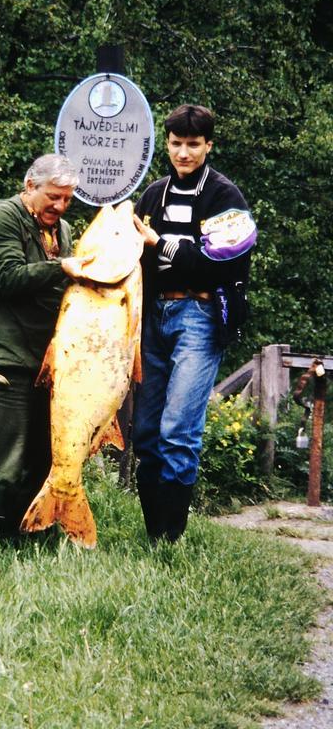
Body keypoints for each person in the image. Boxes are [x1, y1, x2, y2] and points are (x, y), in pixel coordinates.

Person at [132, 104, 257, 543]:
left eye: (193, 145)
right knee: (146, 431)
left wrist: (162, 245)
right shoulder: (152, 195)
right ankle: (154, 537)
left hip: (200, 317)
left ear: (208, 145)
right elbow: (132, 258)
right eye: (176, 144)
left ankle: (172, 538)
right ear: (166, 144)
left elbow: (222, 267)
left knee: (177, 429)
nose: (183, 153)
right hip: (153, 318)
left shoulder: (226, 197)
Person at [0, 153, 90, 538]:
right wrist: (62, 267)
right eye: (53, 196)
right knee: (3, 464)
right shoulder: (3, 217)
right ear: (30, 187)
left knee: (45, 460)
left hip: (48, 364)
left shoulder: (64, 230)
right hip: (6, 358)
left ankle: (33, 540)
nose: (60, 205)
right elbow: (6, 279)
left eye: (68, 198)